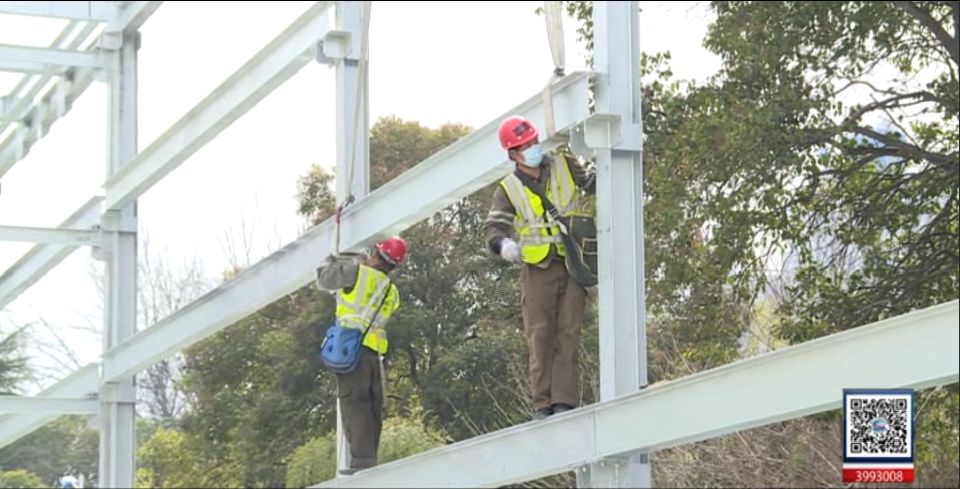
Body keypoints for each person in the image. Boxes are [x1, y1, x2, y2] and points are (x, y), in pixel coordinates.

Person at [483, 115, 596, 421]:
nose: (533, 148)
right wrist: (503, 246)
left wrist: (599, 146)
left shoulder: (562, 163)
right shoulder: (508, 188)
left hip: (573, 261)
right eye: (525, 145)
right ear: (513, 154)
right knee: (540, 334)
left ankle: (564, 401)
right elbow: (495, 228)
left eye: (533, 142)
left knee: (568, 331)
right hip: (538, 267)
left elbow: (593, 183)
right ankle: (542, 403)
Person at [315, 236, 406, 474]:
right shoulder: (392, 291)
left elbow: (324, 279)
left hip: (351, 350)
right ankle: (369, 462)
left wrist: (335, 260)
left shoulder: (357, 274)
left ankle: (362, 466)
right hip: (375, 355)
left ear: (375, 253)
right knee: (372, 407)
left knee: (354, 404)